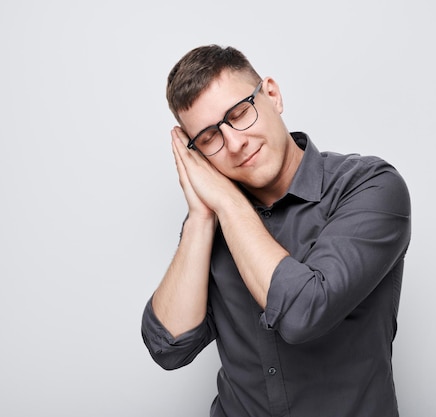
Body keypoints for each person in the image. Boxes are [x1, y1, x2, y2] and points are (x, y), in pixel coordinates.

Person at [141, 44, 412, 417]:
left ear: (272, 94)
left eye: (240, 113)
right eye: (208, 138)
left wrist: (228, 202)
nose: (235, 144)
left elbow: (304, 313)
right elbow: (168, 348)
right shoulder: (213, 218)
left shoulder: (370, 187)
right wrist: (202, 217)